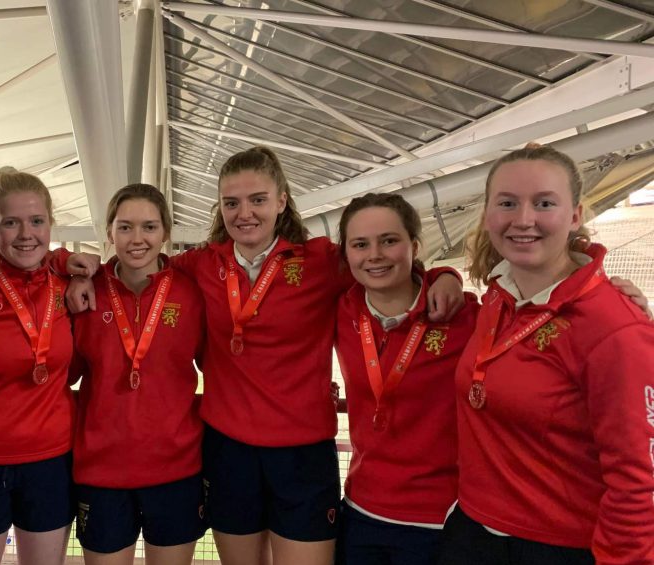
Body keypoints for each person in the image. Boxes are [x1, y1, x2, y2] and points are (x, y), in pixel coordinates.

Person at [67, 146, 467, 565]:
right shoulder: (200, 265)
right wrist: (79, 271)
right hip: (228, 451)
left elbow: (385, 264)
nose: (245, 213)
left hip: (303, 454)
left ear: (281, 201)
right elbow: (137, 265)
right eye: (232, 203)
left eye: (258, 199)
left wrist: (443, 274)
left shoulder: (322, 262)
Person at [438, 144, 654, 564]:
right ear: (487, 215)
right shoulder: (499, 300)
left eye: (543, 203)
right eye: (507, 203)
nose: (523, 220)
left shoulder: (615, 327)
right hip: (472, 532)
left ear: (575, 216)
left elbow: (638, 481)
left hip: (558, 548)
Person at [333, 193, 479, 564]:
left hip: (441, 520)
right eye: (361, 244)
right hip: (361, 512)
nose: (375, 254)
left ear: (414, 246)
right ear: (346, 254)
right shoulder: (341, 309)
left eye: (389, 241)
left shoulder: (467, 319)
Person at [65, 184, 206, 565]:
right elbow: (65, 372)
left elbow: (223, 369)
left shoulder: (191, 294)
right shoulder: (85, 293)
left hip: (176, 471)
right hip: (101, 474)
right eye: (125, 227)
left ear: (166, 232)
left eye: (149, 227)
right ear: (108, 231)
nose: (137, 239)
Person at [0, 168, 77, 565]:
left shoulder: (65, 285)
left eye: (37, 221)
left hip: (50, 459)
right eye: (11, 222)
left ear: (50, 225)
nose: (26, 234)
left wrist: (70, 262)